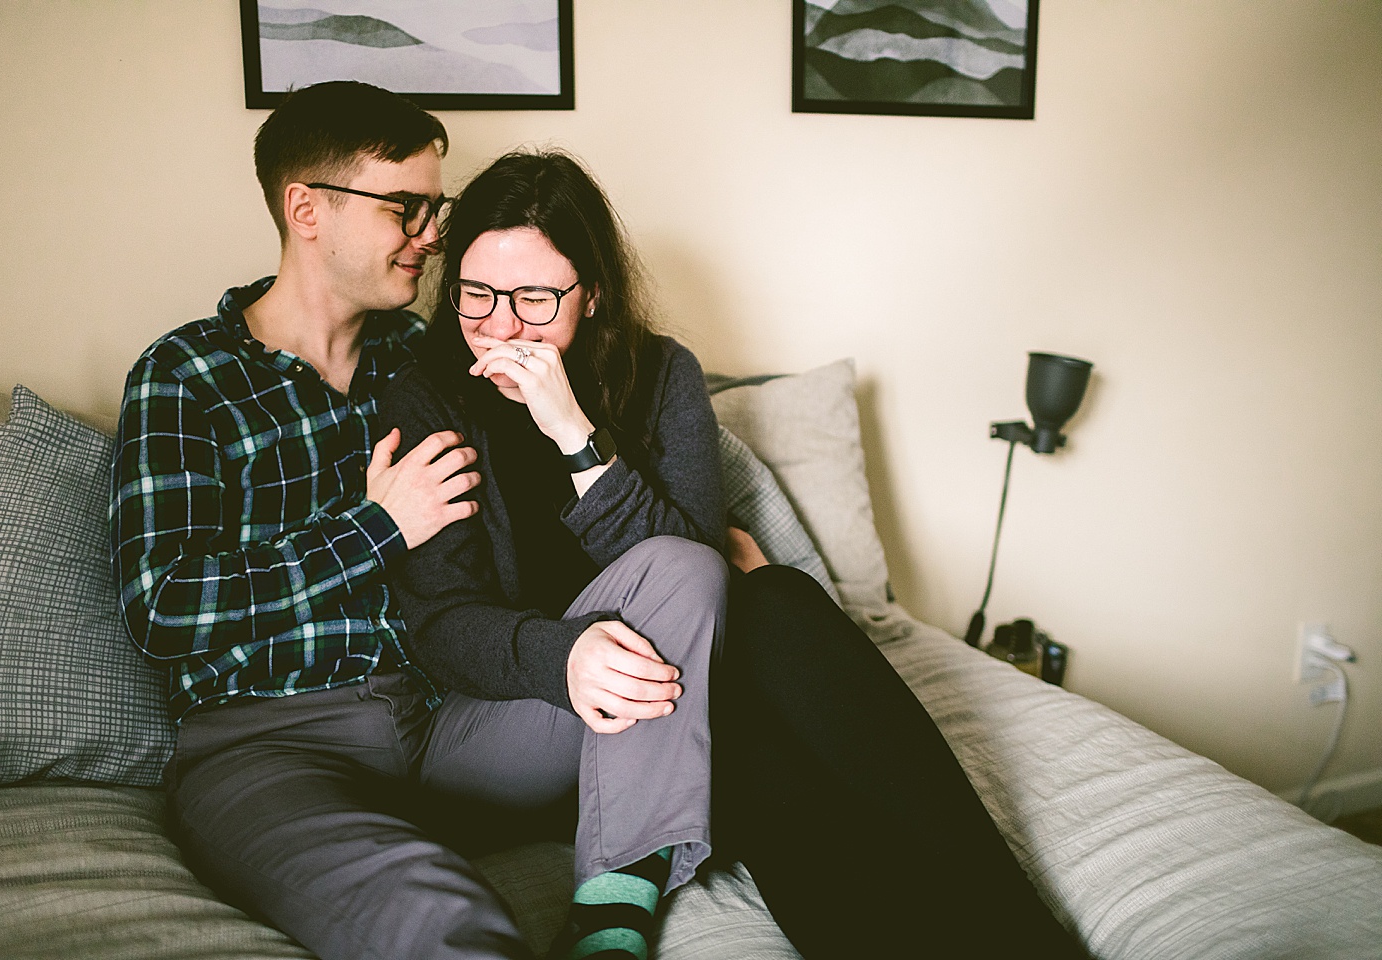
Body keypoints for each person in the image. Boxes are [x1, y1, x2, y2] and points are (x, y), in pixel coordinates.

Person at [382, 150, 1087, 959]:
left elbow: (688, 573)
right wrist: (566, 655)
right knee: (754, 611)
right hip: (520, 722)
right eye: (477, 295)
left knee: (765, 649)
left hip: (670, 706)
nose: (503, 328)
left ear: (594, 292)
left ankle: (1018, 937)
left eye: (536, 299)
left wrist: (574, 435)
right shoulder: (426, 391)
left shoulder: (661, 374)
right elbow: (443, 624)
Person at [109, 81, 639, 960]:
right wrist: (376, 527)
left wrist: (699, 535)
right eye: (408, 207)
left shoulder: (430, 359)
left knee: (662, 680)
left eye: (438, 209)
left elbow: (577, 457)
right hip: (271, 746)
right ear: (305, 208)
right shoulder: (188, 375)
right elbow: (163, 609)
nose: (433, 236)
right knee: (434, 919)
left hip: (449, 720)